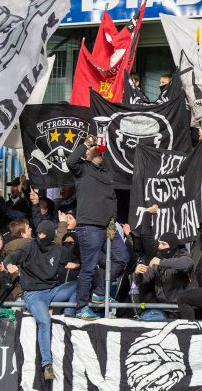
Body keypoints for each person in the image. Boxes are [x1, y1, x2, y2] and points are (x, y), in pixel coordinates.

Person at [2, 220, 78, 380]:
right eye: (39, 233)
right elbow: (11, 257)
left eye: (44, 234)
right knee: (44, 322)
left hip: (52, 290)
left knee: (77, 285)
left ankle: (69, 317)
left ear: (50, 235)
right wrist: (9, 265)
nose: (41, 236)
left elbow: (74, 259)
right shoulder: (29, 246)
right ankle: (47, 365)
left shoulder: (58, 249)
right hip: (33, 293)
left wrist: (76, 265)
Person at [67, 134, 117, 319]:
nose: (87, 151)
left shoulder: (106, 173)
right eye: (87, 150)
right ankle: (81, 308)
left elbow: (112, 198)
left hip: (107, 226)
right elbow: (70, 161)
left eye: (90, 149)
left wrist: (113, 221)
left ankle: (99, 294)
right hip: (89, 227)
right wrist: (86, 143)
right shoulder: (83, 168)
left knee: (122, 258)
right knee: (88, 268)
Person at [134, 232, 194, 321]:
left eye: (163, 244)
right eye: (159, 243)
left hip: (184, 309)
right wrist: (138, 274)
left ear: (172, 246)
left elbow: (187, 264)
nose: (159, 246)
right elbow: (145, 279)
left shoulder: (184, 257)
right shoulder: (157, 258)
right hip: (165, 309)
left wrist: (160, 262)